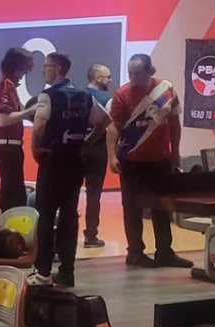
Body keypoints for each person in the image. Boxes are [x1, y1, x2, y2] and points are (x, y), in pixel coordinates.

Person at [107, 53, 192, 269]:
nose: (133, 78)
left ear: (150, 71)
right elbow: (114, 126)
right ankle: (135, 252)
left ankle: (165, 251)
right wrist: (111, 155)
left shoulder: (166, 89)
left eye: (138, 73)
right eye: (130, 74)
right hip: (132, 160)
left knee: (162, 207)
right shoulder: (121, 94)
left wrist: (175, 152)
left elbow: (174, 123)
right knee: (132, 208)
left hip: (160, 160)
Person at [29, 53, 106, 288]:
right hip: (76, 161)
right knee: (70, 216)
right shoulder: (85, 95)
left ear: (58, 68)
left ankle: (42, 273)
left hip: (53, 161)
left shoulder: (48, 95)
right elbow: (104, 120)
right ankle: (67, 271)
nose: (44, 71)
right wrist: (87, 142)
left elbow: (40, 123)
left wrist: (35, 148)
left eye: (47, 67)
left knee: (45, 216)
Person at [0, 47, 36, 211]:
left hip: (11, 147)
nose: (25, 72)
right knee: (13, 196)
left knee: (14, 193)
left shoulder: (9, 86)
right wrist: (31, 111)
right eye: (24, 67)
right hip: (7, 148)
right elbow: (4, 120)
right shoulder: (5, 86)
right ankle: (7, 230)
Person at [82, 63, 113, 248]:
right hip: (96, 152)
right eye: (107, 76)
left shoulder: (78, 96)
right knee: (94, 195)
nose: (110, 80)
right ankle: (91, 236)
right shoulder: (107, 99)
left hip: (76, 150)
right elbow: (109, 128)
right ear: (98, 78)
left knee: (68, 195)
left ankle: (63, 233)